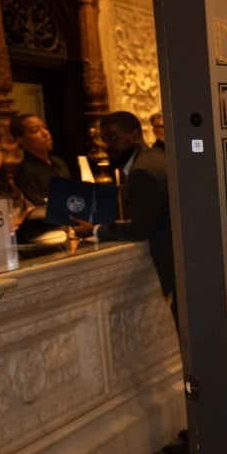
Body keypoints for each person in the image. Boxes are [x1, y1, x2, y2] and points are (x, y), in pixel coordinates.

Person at [70, 111, 177, 321]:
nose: (109, 146)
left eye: (113, 138)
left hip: (173, 263)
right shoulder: (156, 158)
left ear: (135, 135)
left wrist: (94, 230)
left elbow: (141, 228)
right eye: (105, 140)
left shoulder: (142, 171)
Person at [11, 113, 73, 207]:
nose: (45, 133)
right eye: (35, 130)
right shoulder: (25, 170)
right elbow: (39, 206)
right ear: (21, 140)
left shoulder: (58, 162)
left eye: (45, 127)